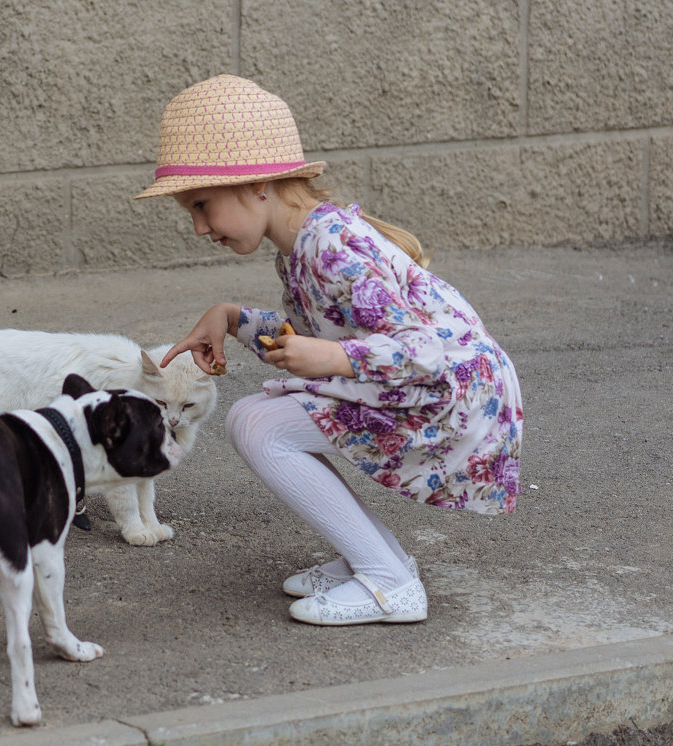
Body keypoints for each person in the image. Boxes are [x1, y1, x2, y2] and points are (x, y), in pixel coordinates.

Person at [141, 74, 523, 626]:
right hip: (444, 388)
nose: (199, 227)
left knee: (258, 424)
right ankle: (376, 559)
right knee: (258, 418)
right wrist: (231, 318)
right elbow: (310, 330)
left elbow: (421, 351)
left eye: (202, 205)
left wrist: (334, 360)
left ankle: (390, 584)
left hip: (455, 396)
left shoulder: (330, 249)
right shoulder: (301, 246)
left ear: (259, 185)